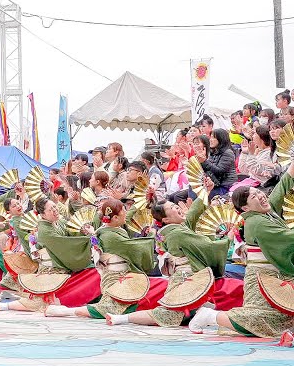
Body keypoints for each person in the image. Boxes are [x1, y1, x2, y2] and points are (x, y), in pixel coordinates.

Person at [191, 161, 294, 337]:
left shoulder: (264, 211)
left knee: (283, 319)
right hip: (263, 282)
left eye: (258, 192)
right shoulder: (257, 222)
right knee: (261, 320)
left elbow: (283, 185)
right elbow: (289, 240)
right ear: (245, 208)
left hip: (274, 278)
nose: (260, 196)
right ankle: (211, 315)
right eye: (254, 196)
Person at [110, 197, 228, 327]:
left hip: (185, 276)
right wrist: (227, 240)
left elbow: (192, 214)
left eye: (175, 205)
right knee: (166, 314)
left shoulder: (174, 230)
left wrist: (205, 193)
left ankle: (203, 316)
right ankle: (121, 318)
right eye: (172, 207)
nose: (177, 207)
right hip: (186, 278)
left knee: (193, 311)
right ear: (166, 219)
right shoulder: (177, 233)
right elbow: (207, 246)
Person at [52, 199, 156, 320]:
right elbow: (134, 248)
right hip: (114, 277)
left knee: (124, 307)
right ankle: (67, 312)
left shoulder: (111, 229)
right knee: (107, 308)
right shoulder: (110, 235)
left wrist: (144, 202)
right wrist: (151, 236)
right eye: (124, 212)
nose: (126, 214)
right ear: (116, 218)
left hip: (121, 275)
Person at [202, 128, 238, 198]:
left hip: (225, 186)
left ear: (221, 139)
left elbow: (220, 171)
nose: (210, 140)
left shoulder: (228, 152)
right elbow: (208, 170)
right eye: (210, 137)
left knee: (202, 196)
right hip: (215, 184)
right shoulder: (213, 152)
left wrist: (204, 161)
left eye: (213, 137)